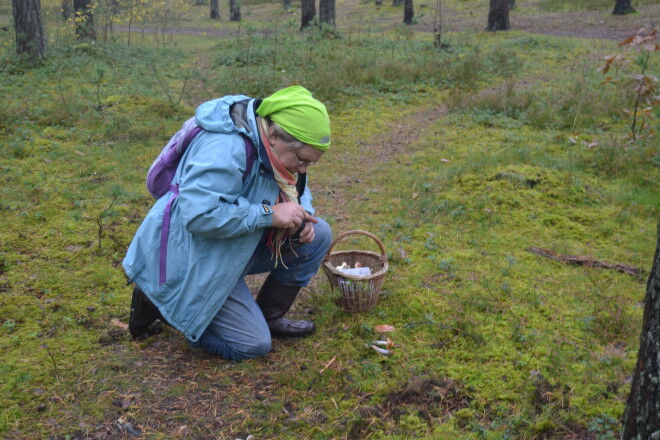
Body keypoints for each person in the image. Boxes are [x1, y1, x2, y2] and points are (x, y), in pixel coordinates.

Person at [123, 85, 333, 360]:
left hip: (233, 242)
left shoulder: (275, 147)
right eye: (302, 160)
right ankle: (159, 303)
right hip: (193, 254)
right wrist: (269, 214)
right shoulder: (227, 148)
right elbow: (198, 216)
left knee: (318, 234)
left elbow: (298, 188)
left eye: (310, 163)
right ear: (273, 134)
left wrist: (301, 213)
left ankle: (269, 317)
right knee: (252, 346)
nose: (303, 169)